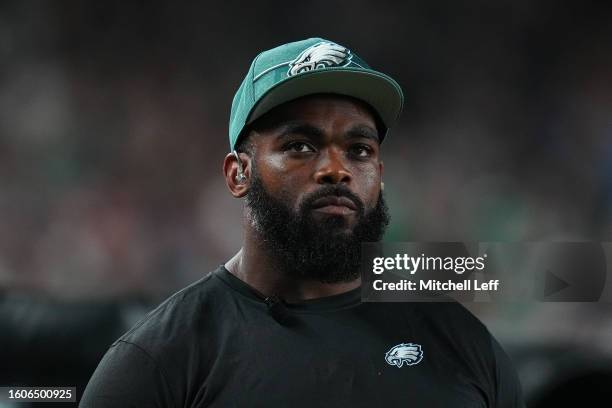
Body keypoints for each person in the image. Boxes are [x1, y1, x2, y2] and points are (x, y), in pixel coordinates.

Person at [80, 37, 524, 407]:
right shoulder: (159, 361)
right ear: (239, 174)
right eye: (300, 146)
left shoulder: (463, 343)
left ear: (380, 177)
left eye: (360, 150)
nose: (337, 168)